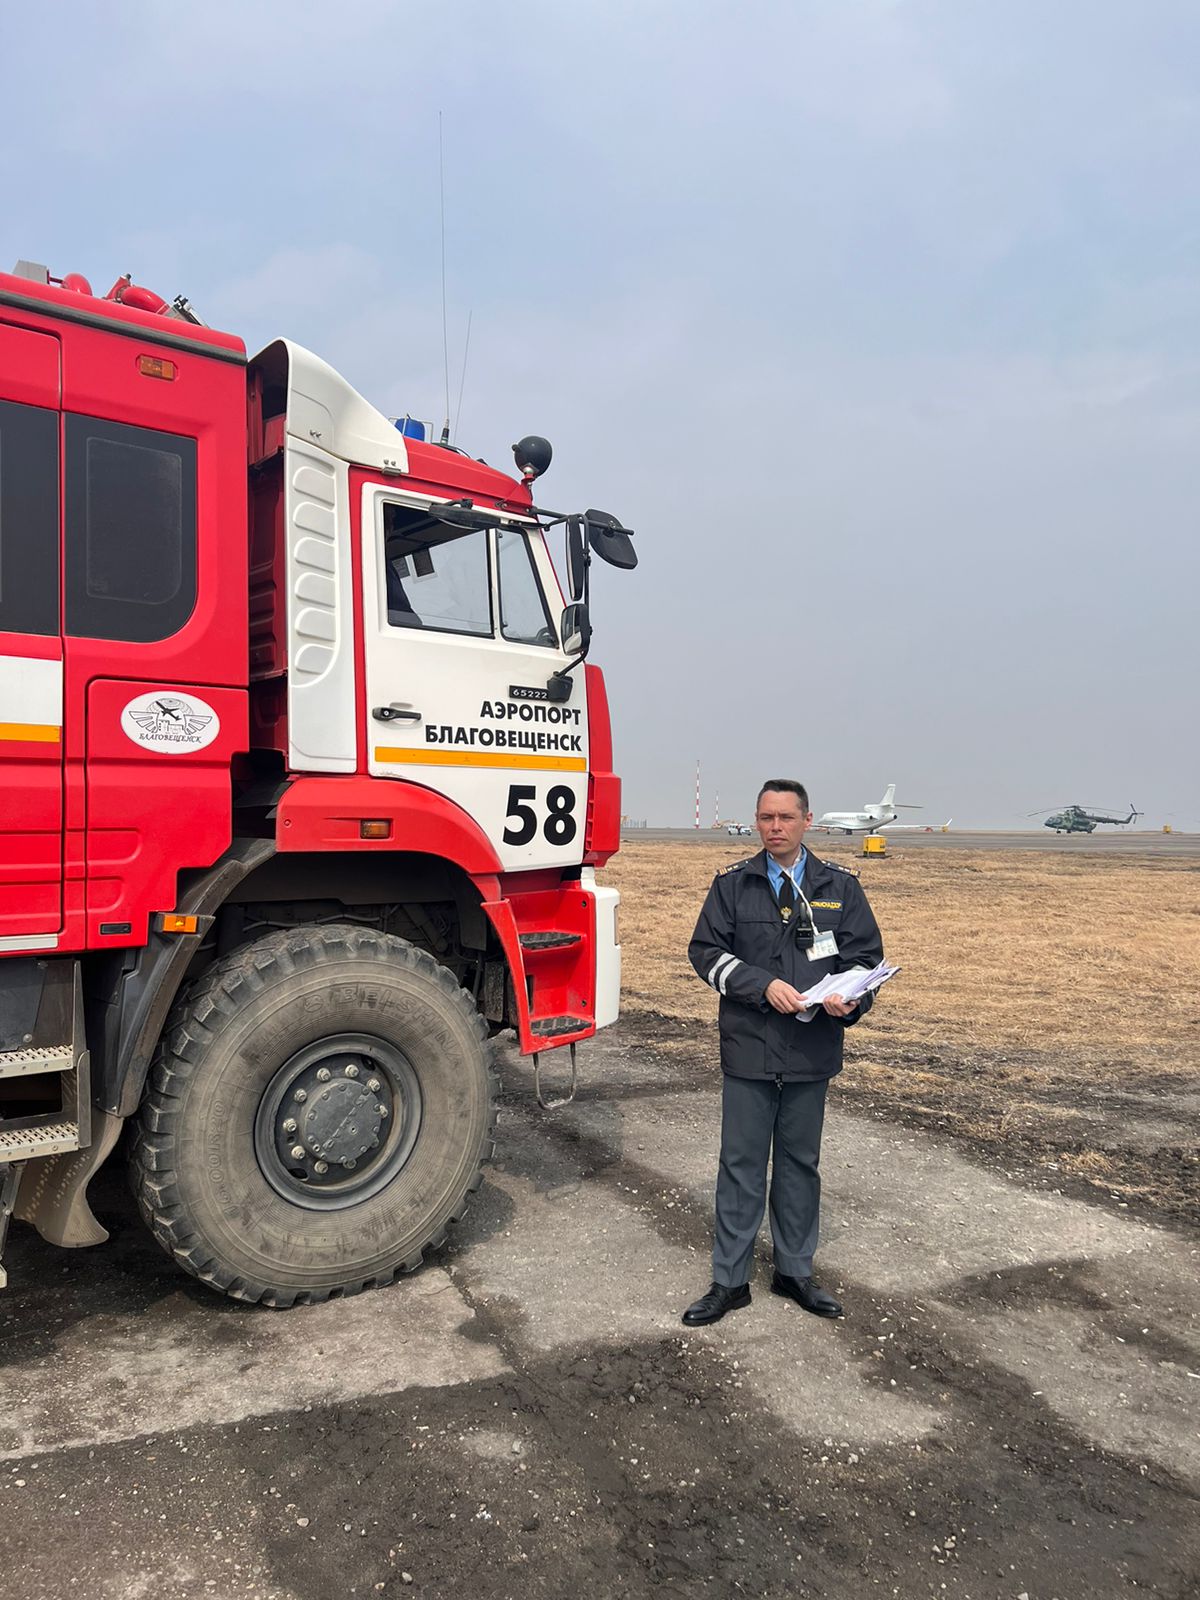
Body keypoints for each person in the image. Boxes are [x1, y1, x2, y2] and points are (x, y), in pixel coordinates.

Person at [682, 779, 884, 1327]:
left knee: (800, 1163)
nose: (775, 827)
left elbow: (867, 958)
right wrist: (757, 983)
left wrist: (852, 997)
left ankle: (794, 1272)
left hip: (812, 1045)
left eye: (785, 818)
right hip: (749, 1044)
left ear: (806, 821)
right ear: (757, 821)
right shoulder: (733, 884)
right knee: (741, 1164)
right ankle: (730, 1282)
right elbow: (706, 952)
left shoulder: (840, 886)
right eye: (766, 817)